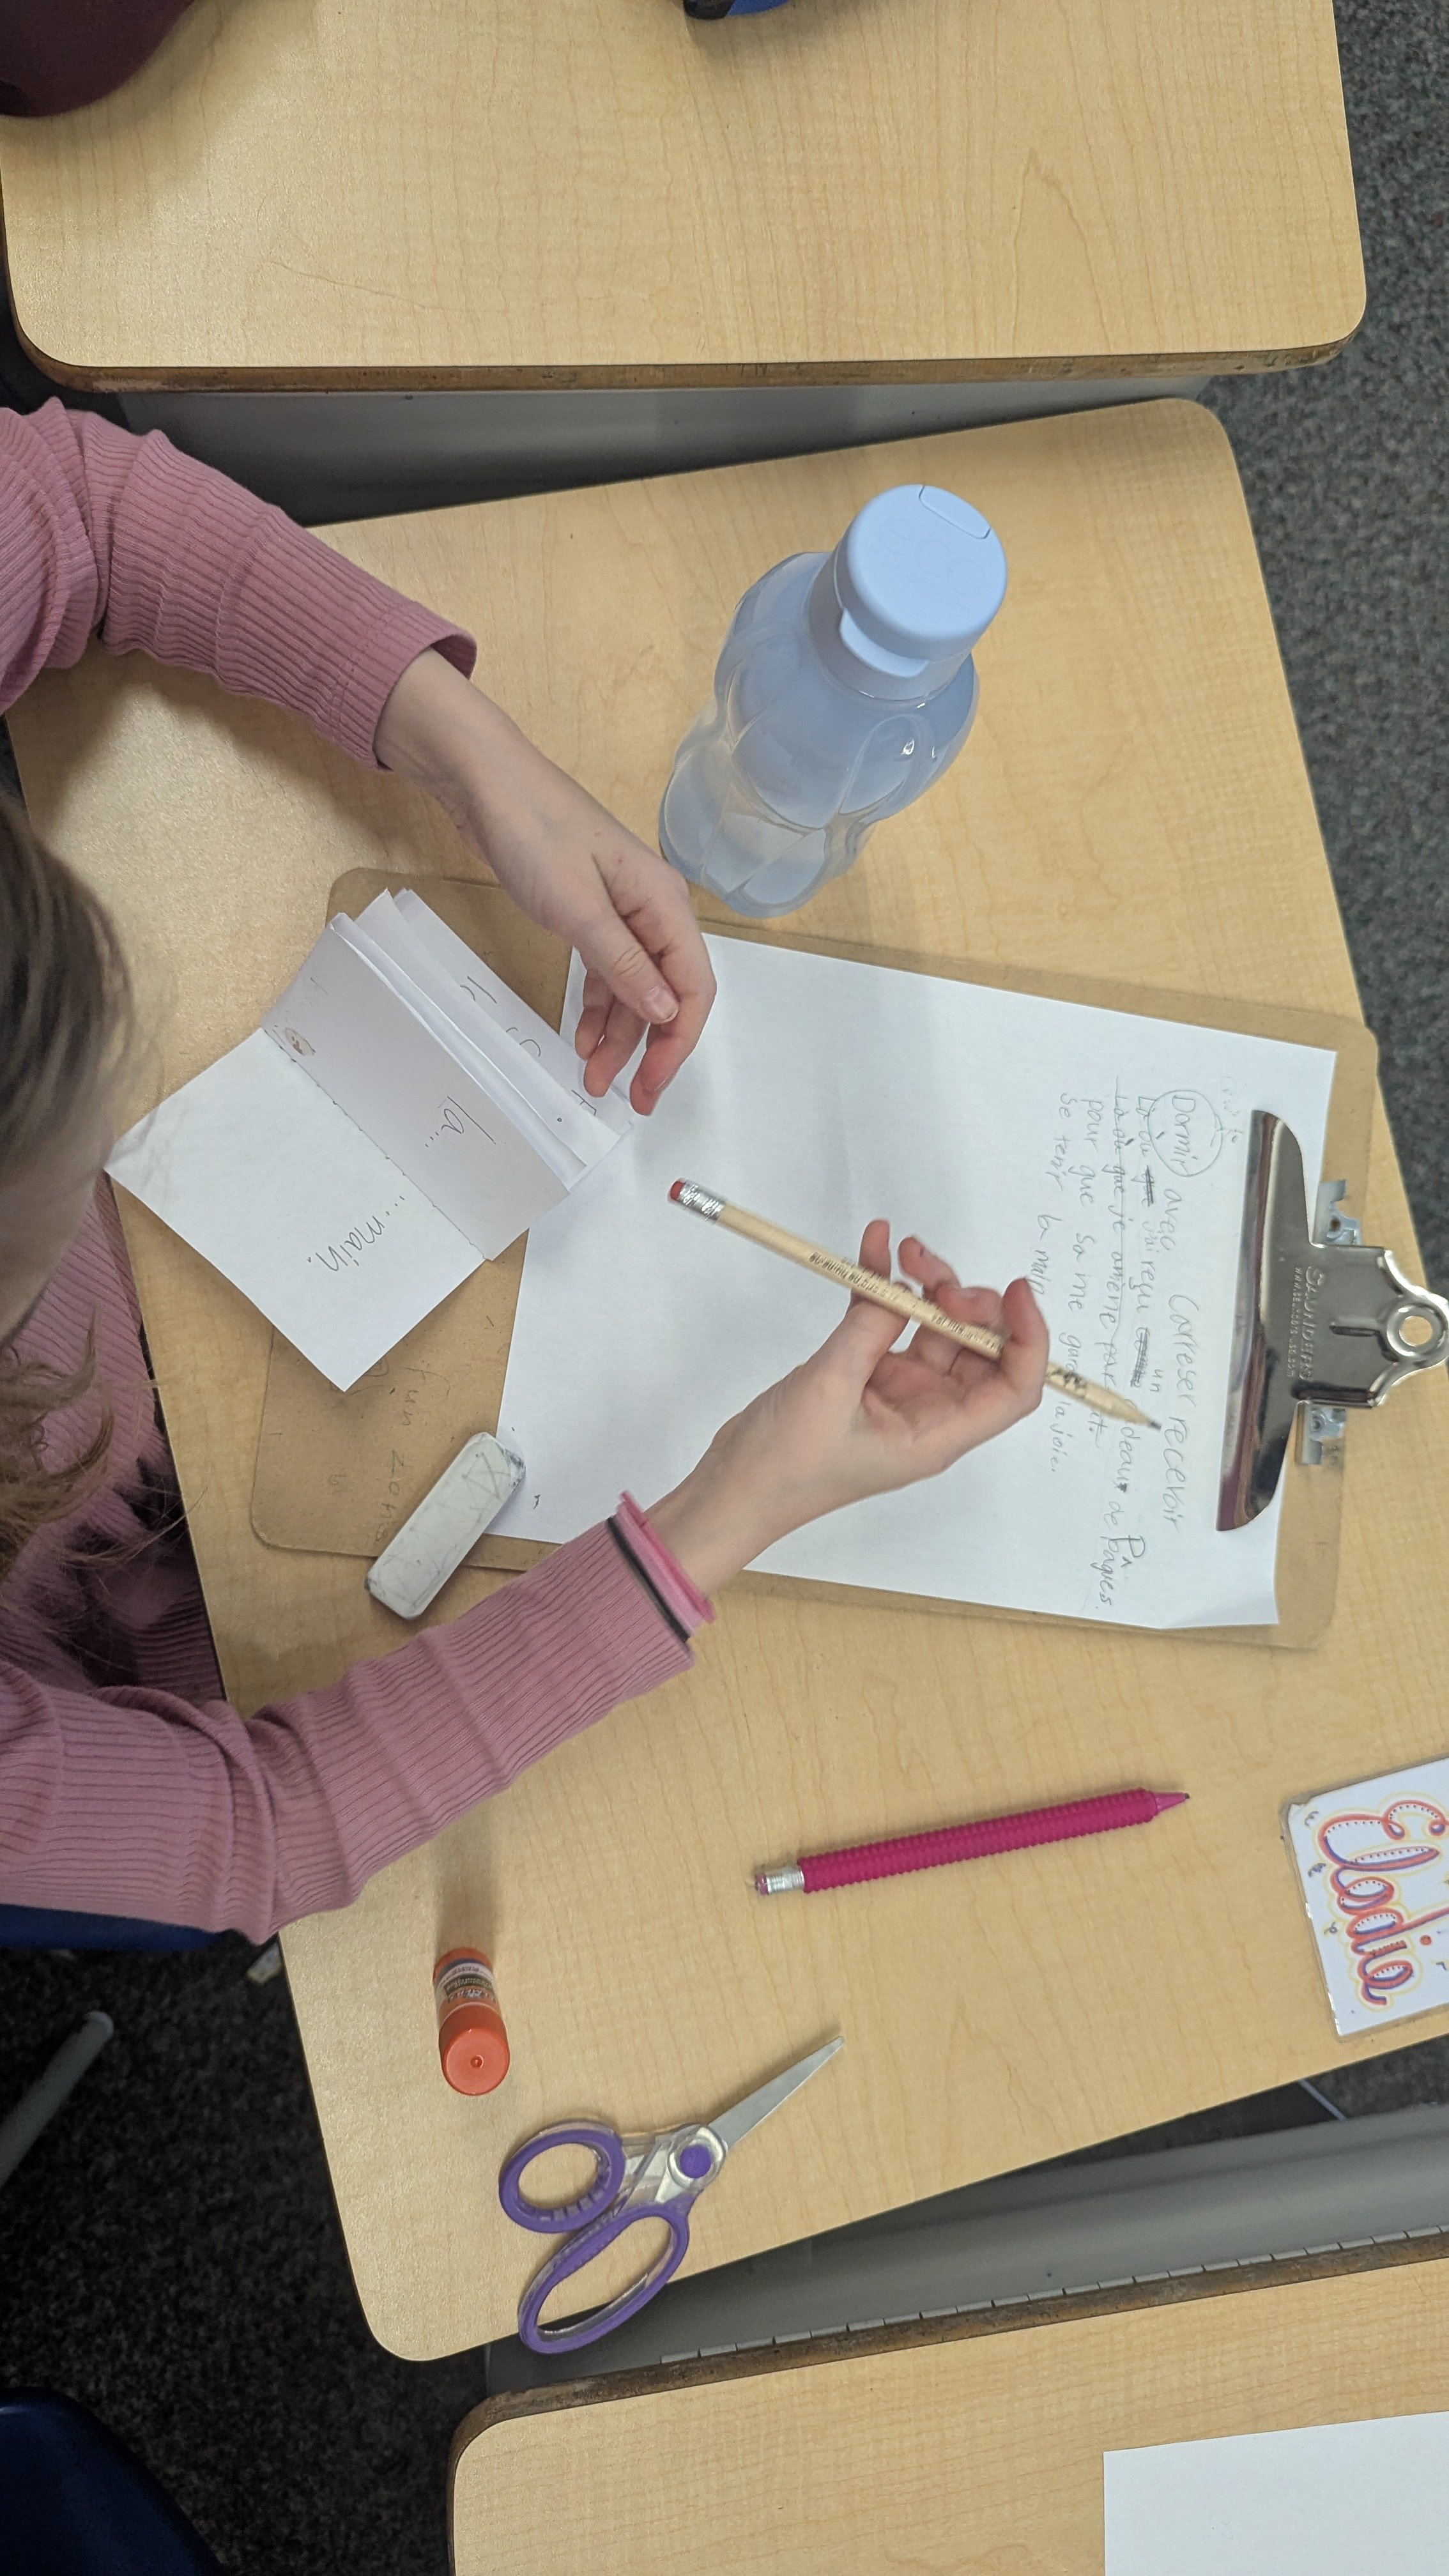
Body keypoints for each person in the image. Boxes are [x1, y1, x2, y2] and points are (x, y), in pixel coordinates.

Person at [0, 404, 1048, 1940]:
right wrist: (727, 1512)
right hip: (118, 1629)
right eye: (66, 1169)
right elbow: (254, 1831)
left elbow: (77, 504)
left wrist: (492, 771)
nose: (115, 1138)